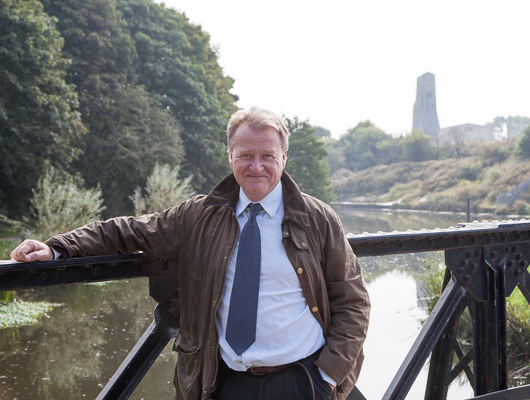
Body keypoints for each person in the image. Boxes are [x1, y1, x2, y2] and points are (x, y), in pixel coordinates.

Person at [11, 106, 370, 400]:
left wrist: (327, 376)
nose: (256, 166)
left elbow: (353, 302)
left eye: (267, 156)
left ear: (284, 157)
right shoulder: (199, 215)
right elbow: (128, 230)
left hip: (301, 382)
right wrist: (57, 247)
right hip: (224, 382)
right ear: (230, 156)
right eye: (246, 155)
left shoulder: (318, 219)